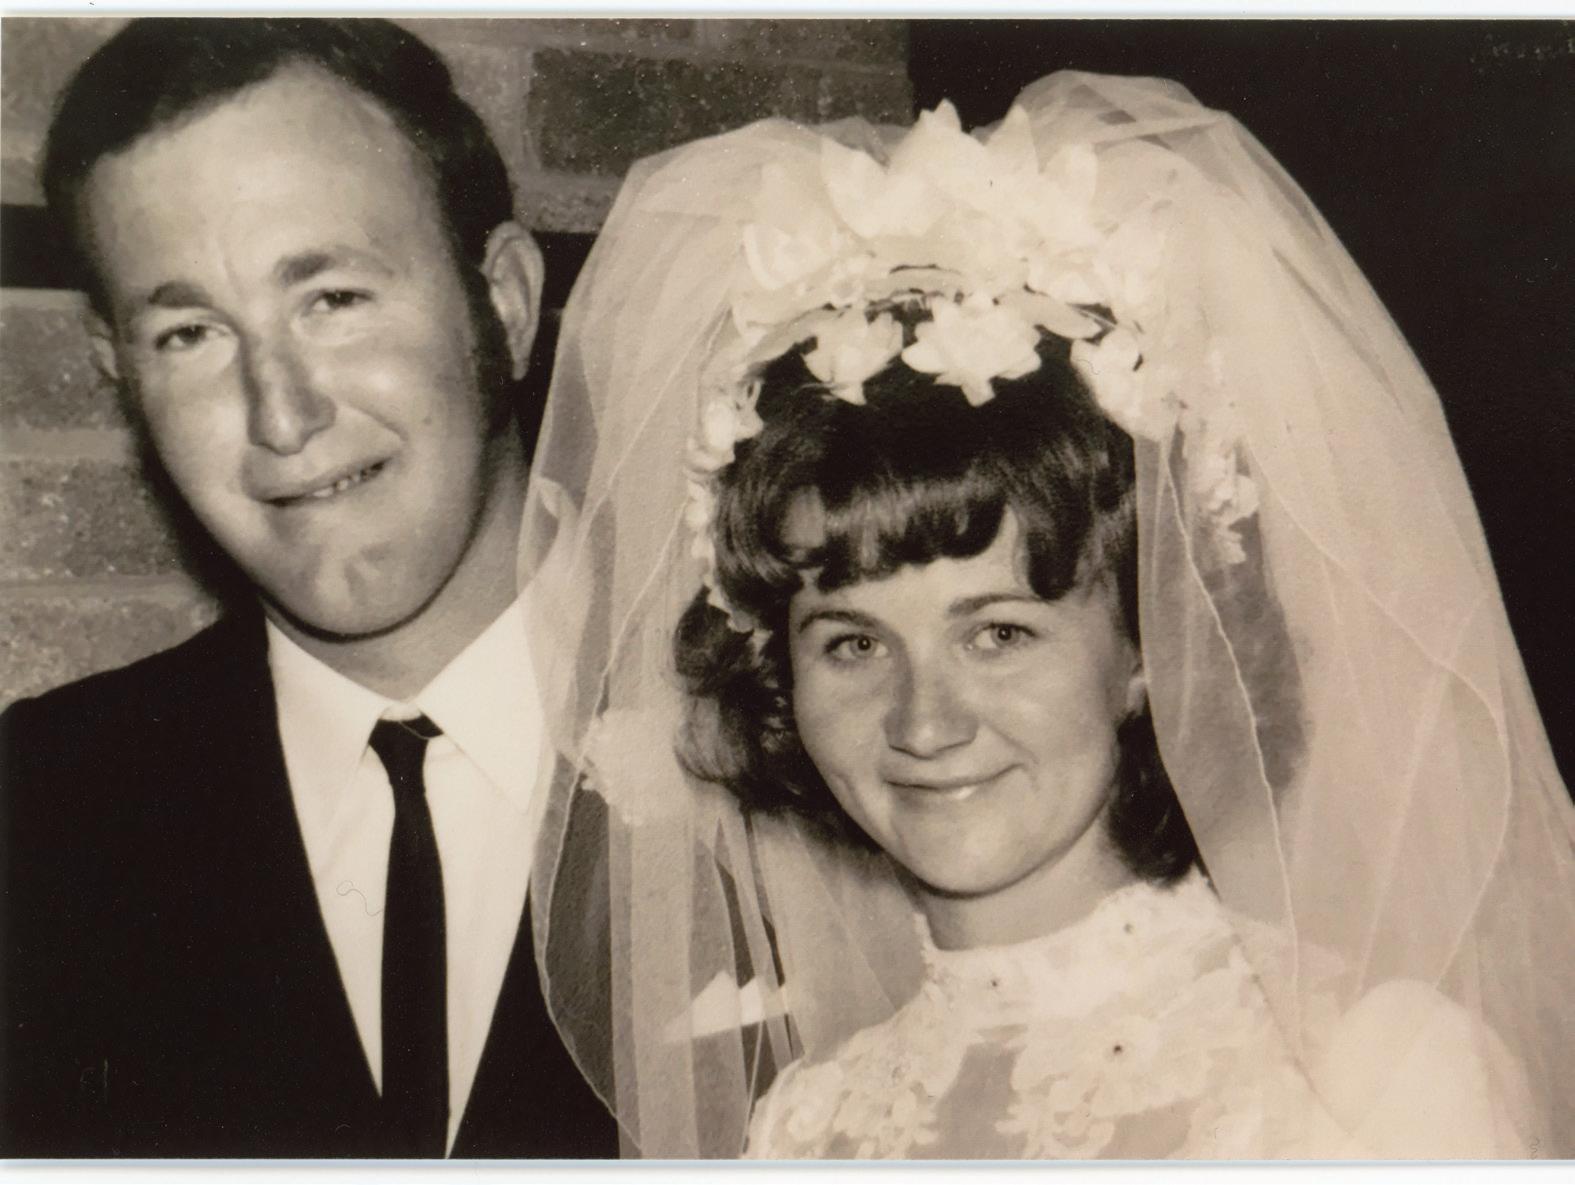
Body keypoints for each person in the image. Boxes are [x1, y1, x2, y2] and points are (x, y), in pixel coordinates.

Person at [522, 72, 1575, 1157]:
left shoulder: (1372, 1077)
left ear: (1148, 650)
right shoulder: (805, 1125)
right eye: (853, 643)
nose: (924, 723)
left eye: (998, 633)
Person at [0, 18, 616, 1158]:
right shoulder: (36, 811)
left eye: (333, 298)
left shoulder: (810, 749)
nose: (281, 415)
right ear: (118, 374)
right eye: (190, 333)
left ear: (506, 302)